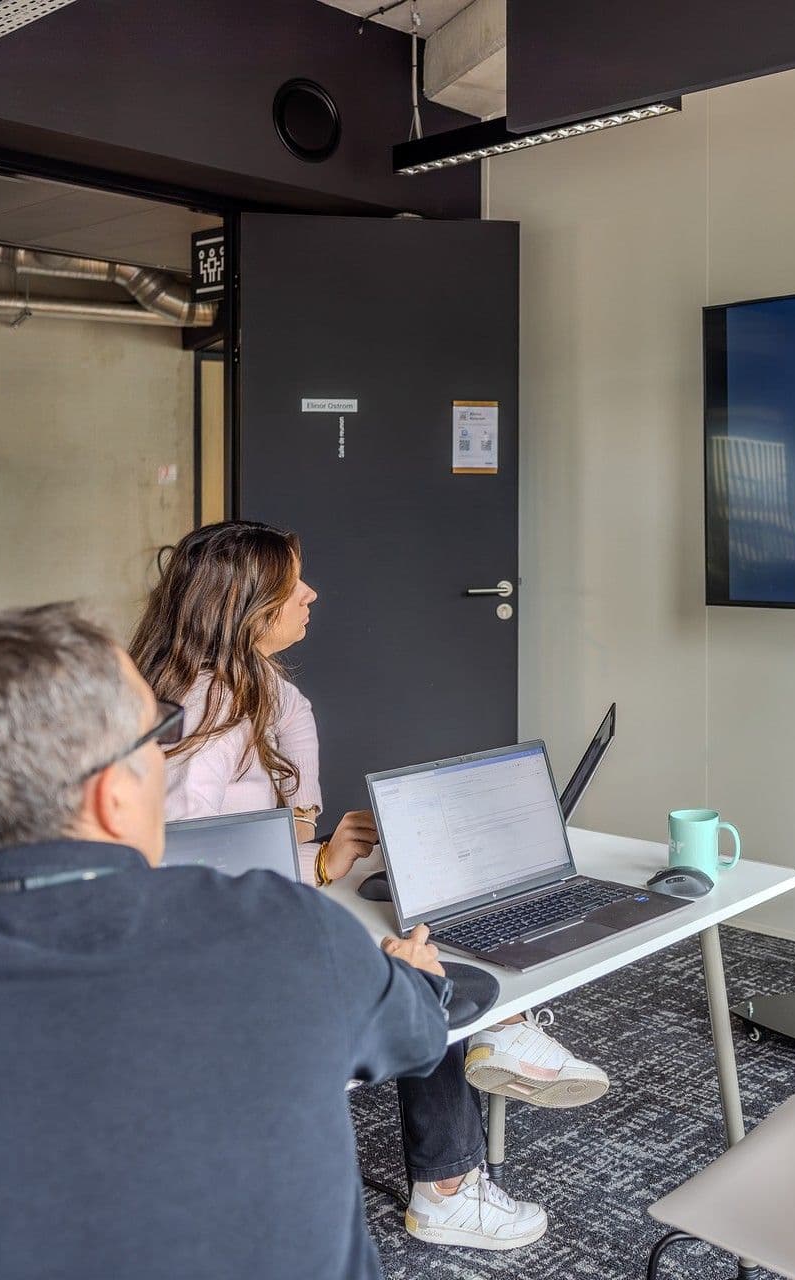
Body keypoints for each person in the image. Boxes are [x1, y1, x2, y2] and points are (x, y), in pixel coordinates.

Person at [0, 604, 453, 1280]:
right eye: (158, 736)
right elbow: (420, 1036)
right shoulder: (287, 929)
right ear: (112, 792)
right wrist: (410, 974)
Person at [128, 520, 606, 1251]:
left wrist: (317, 854)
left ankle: (491, 1040)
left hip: (254, 914)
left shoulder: (255, 690)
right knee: (426, 975)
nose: (312, 593)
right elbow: (181, 871)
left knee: (416, 938)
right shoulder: (209, 713)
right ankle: (453, 1170)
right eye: (294, 584)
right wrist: (309, 865)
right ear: (247, 606)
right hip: (211, 957)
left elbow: (281, 818)